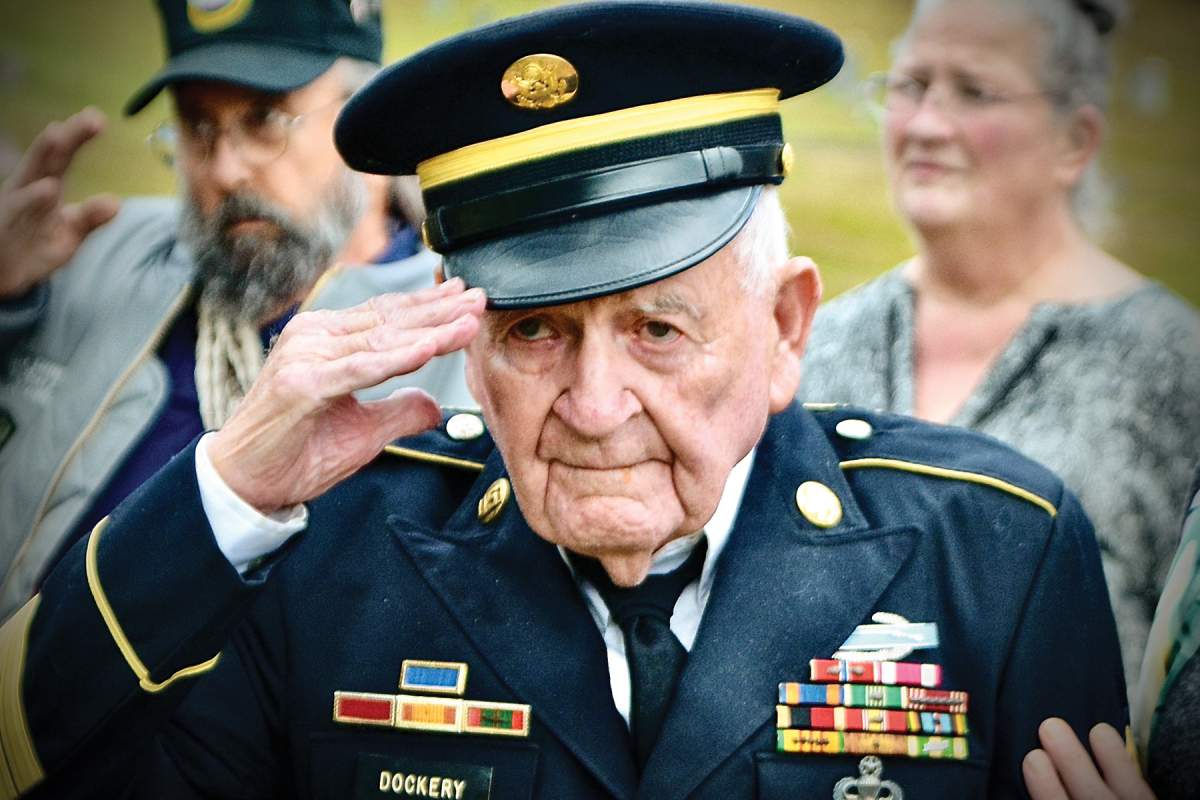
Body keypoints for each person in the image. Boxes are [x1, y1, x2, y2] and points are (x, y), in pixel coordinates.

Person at [0, 2, 1126, 798]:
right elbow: (50, 761)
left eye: (656, 328)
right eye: (534, 329)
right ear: (468, 345)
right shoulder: (331, 554)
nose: (594, 404)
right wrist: (225, 494)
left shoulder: (995, 559)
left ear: (786, 328)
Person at [0, 0, 474, 622]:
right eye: (198, 126)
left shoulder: (457, 328)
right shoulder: (89, 248)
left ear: (367, 114)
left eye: (265, 120)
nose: (225, 169)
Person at [797, 0, 1200, 697]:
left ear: (1074, 141)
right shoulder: (816, 341)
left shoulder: (1173, 366)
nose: (925, 124)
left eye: (974, 91)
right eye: (911, 86)